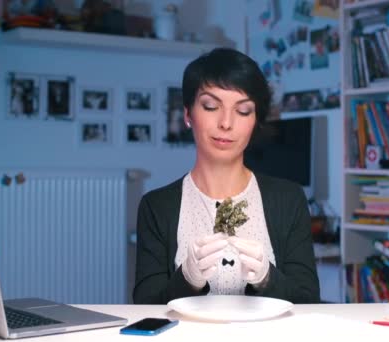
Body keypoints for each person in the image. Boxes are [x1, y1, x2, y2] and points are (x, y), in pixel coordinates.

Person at [133, 48, 320, 305]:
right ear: (188, 115)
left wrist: (267, 277)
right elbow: (145, 308)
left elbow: (308, 302)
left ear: (255, 121)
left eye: (243, 111)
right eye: (211, 106)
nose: (226, 123)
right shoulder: (156, 206)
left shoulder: (288, 199)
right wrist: (187, 279)